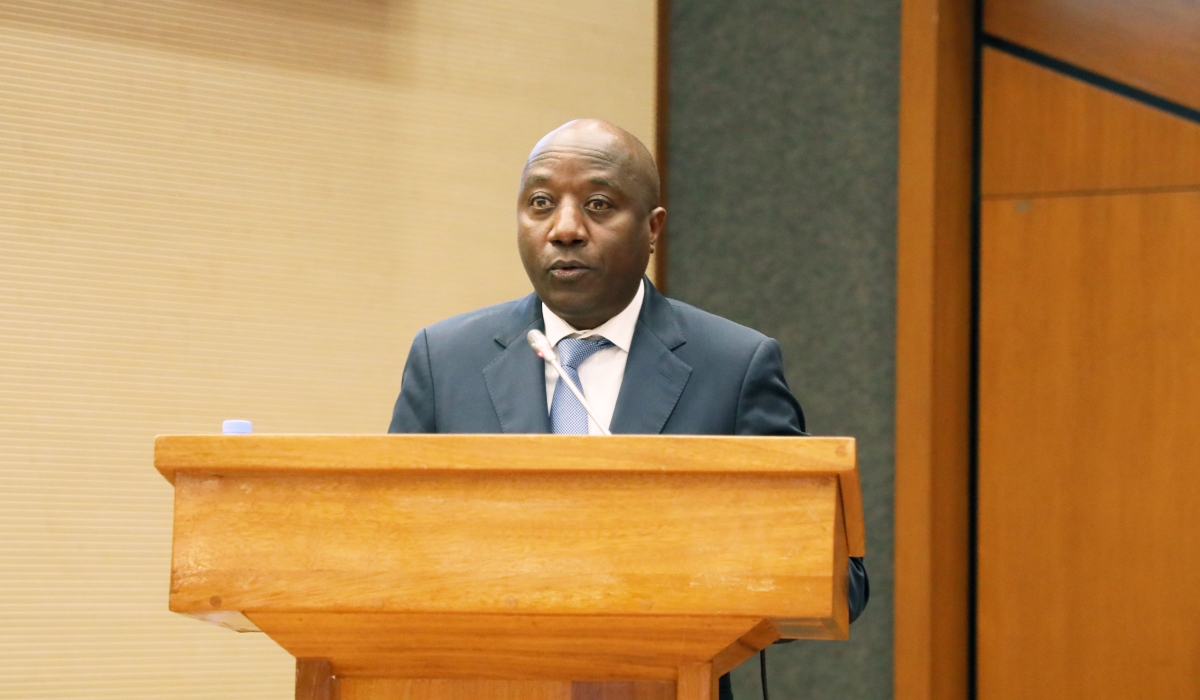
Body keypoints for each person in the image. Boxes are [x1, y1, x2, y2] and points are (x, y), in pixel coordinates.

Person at [389, 119, 868, 698]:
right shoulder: (446, 360)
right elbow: (390, 549)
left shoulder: (734, 365)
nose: (565, 229)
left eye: (597, 204)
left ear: (652, 228)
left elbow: (836, 576)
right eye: (540, 202)